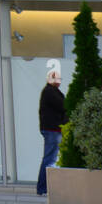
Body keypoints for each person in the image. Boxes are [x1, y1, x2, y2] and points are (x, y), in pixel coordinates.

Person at [37, 68, 66, 196]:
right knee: (50, 159)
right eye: (57, 79)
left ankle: (44, 187)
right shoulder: (50, 92)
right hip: (52, 129)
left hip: (52, 129)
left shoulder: (50, 91)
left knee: (50, 158)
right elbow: (63, 105)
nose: (59, 81)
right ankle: (43, 187)